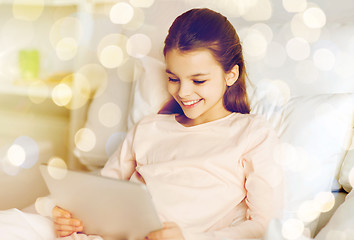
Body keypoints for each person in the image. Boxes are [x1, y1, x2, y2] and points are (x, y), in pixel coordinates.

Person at [52, 8, 283, 240]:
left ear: (231, 75)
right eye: (173, 79)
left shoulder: (252, 133)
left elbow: (264, 225)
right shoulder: (148, 128)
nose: (182, 92)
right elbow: (102, 193)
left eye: (198, 80)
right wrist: (72, 218)